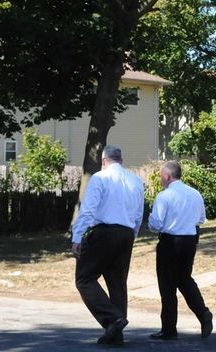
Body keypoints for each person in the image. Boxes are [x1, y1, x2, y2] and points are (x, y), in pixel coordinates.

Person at [71, 145, 145, 345]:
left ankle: (113, 318)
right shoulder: (136, 181)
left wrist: (77, 237)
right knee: (117, 283)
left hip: (104, 232)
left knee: (84, 278)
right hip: (126, 233)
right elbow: (139, 213)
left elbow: (88, 209)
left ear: (104, 161)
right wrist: (132, 235)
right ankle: (116, 335)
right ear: (121, 160)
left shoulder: (100, 178)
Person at [148, 160, 213, 340]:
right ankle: (203, 313)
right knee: (184, 280)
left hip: (170, 241)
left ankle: (169, 329)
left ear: (168, 176)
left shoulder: (164, 196)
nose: (161, 179)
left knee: (167, 285)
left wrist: (151, 220)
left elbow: (156, 224)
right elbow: (201, 218)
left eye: (161, 176)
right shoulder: (195, 193)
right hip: (189, 240)